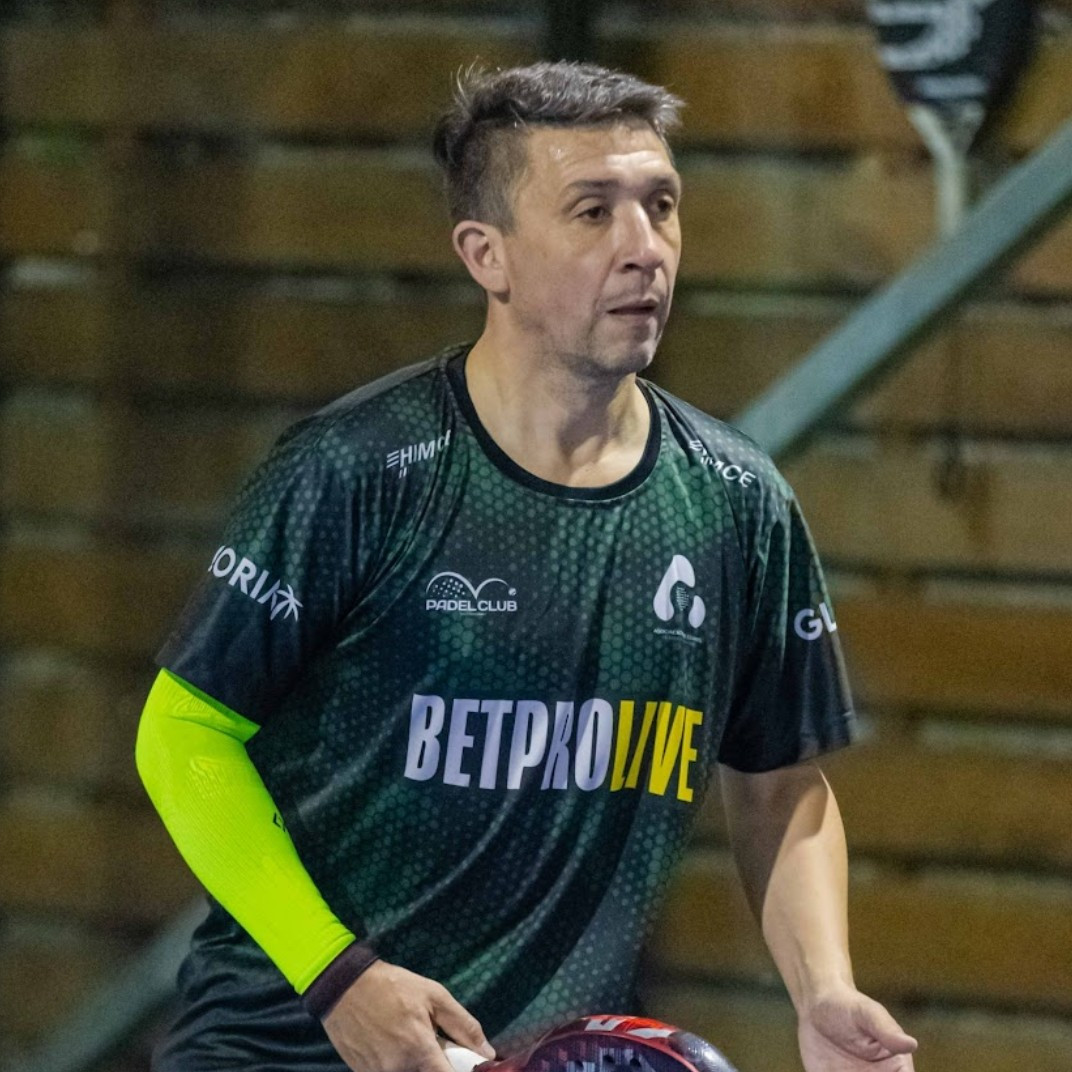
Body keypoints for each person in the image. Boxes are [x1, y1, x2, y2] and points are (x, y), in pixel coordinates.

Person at [136, 61, 918, 1072]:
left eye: (661, 205)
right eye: (592, 212)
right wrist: (337, 977)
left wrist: (824, 990)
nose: (644, 248)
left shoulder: (736, 502)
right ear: (486, 254)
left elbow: (778, 784)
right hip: (279, 1050)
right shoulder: (357, 471)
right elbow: (183, 735)